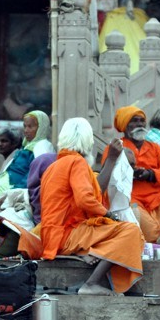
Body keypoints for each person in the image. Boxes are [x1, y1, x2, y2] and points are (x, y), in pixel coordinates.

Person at [41, 118, 144, 296]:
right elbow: (85, 200)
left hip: (53, 235)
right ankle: (91, 283)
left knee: (111, 230)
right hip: (68, 234)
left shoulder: (54, 166)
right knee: (131, 231)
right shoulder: (76, 162)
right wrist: (108, 214)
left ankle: (91, 252)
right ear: (89, 141)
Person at [105, 105, 160, 244]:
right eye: (134, 121)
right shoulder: (115, 148)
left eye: (142, 120)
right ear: (125, 125)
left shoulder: (154, 147)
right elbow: (108, 174)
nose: (140, 124)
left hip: (157, 197)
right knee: (138, 217)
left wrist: (149, 174)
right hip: (131, 199)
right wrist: (129, 173)